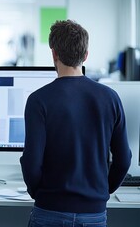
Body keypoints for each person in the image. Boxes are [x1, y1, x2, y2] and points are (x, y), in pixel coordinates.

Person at [20, 20, 132, 227]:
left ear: (54, 54)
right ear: (86, 55)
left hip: (49, 210)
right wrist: (102, 192)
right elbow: (124, 159)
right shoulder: (110, 98)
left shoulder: (39, 100)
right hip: (94, 214)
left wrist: (41, 194)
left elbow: (31, 162)